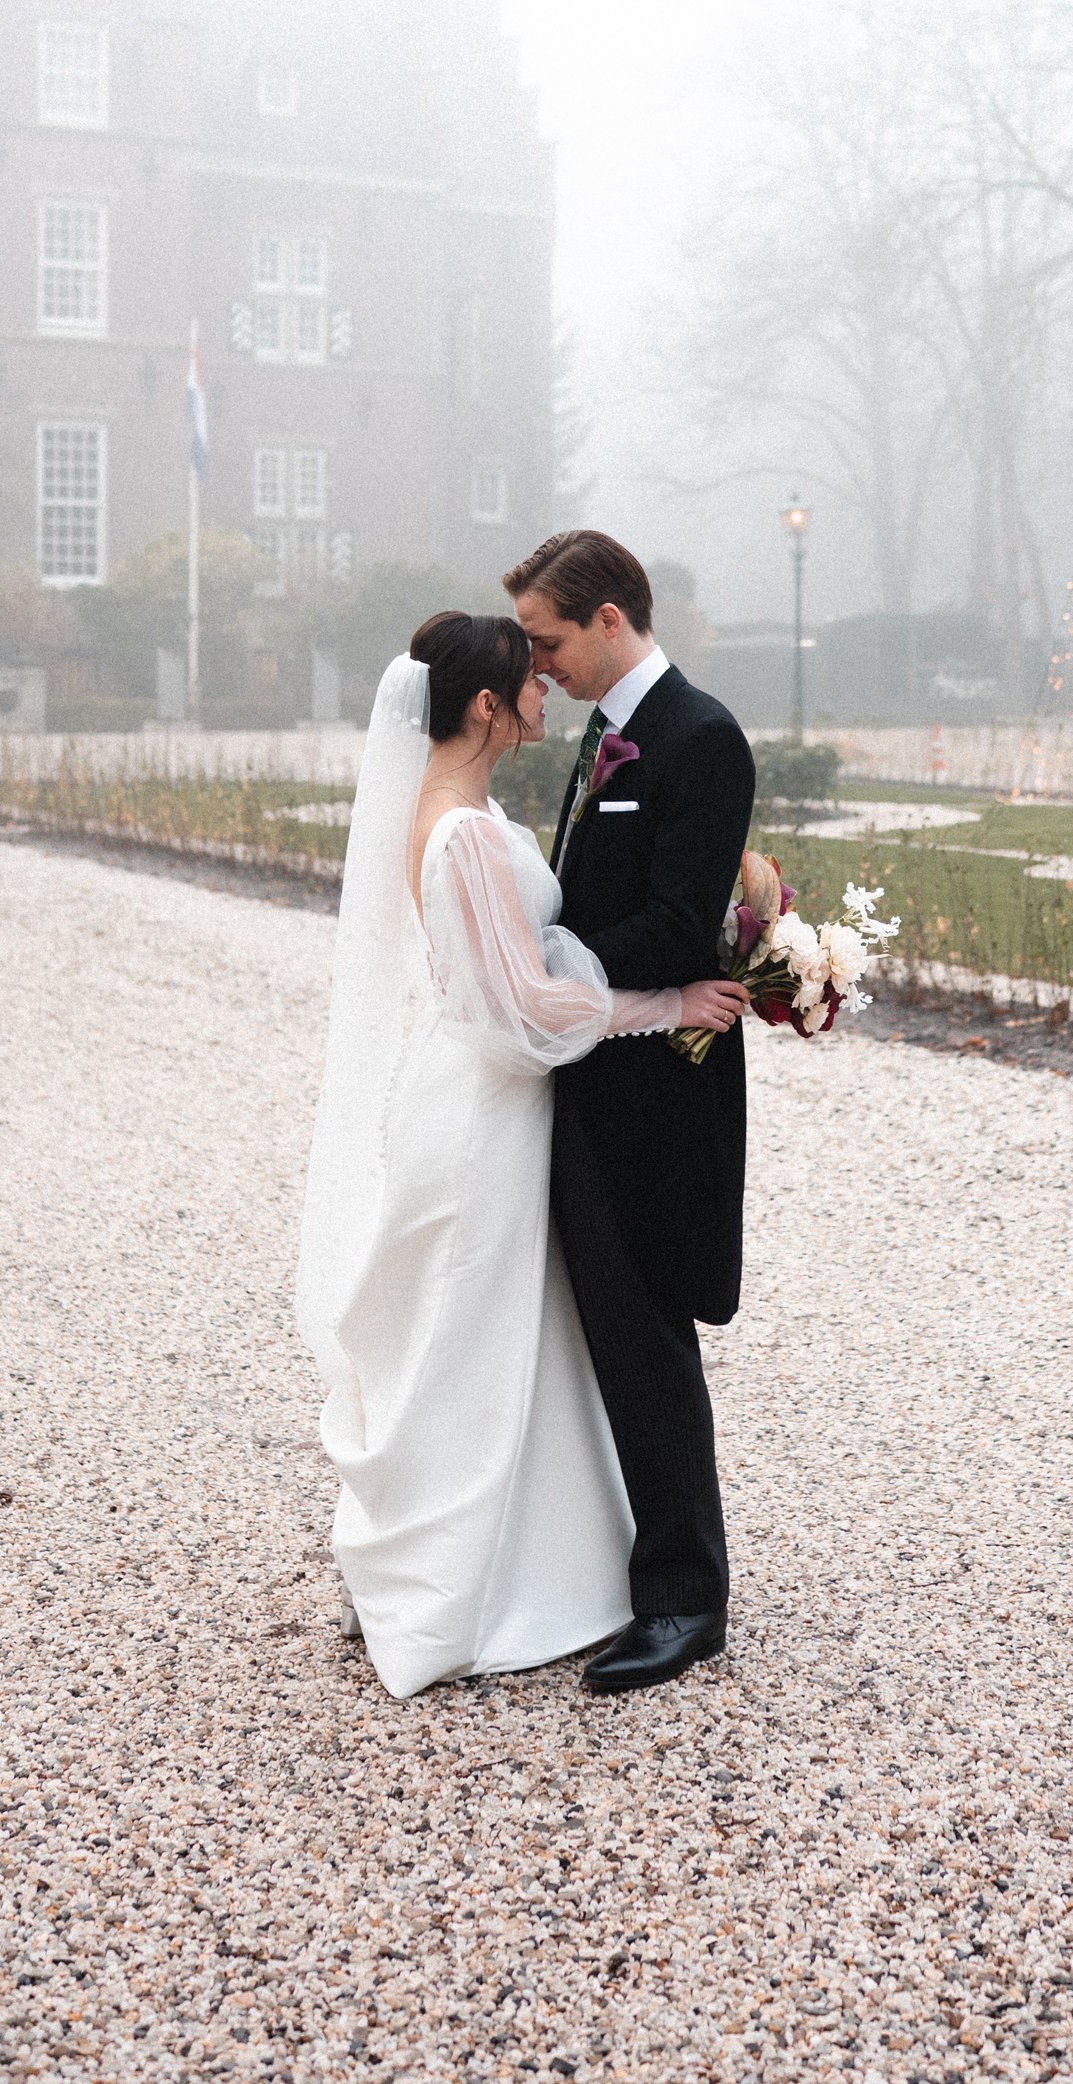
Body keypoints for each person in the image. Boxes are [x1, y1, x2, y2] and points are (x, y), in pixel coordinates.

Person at [295, 610, 747, 1701]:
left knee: (500, 1338)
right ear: (488, 708)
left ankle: (503, 1559)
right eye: (528, 678)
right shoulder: (455, 830)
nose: (548, 686)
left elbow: (532, 953)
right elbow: (525, 1008)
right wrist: (668, 1001)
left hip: (503, 1101)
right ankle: (441, 1580)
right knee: (464, 1334)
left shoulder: (468, 810)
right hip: (488, 1106)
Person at [504, 532, 755, 1694]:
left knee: (651, 1342)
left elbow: (672, 924)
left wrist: (527, 960)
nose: (537, 664)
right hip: (583, 1077)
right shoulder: (606, 739)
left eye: (548, 639)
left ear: (610, 618)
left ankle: (685, 1598)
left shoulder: (700, 738)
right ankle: (621, 1564)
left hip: (656, 1097)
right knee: (603, 1335)